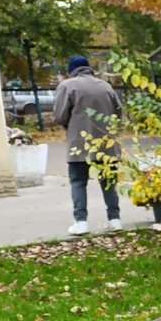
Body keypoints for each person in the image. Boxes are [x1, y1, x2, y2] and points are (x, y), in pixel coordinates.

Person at [54, 54, 124, 235]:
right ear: (88, 68)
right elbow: (118, 113)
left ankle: (81, 222)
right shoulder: (105, 86)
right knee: (108, 181)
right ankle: (114, 220)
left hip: (79, 144)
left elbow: (60, 115)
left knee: (78, 182)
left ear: (72, 70)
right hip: (106, 143)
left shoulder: (67, 86)